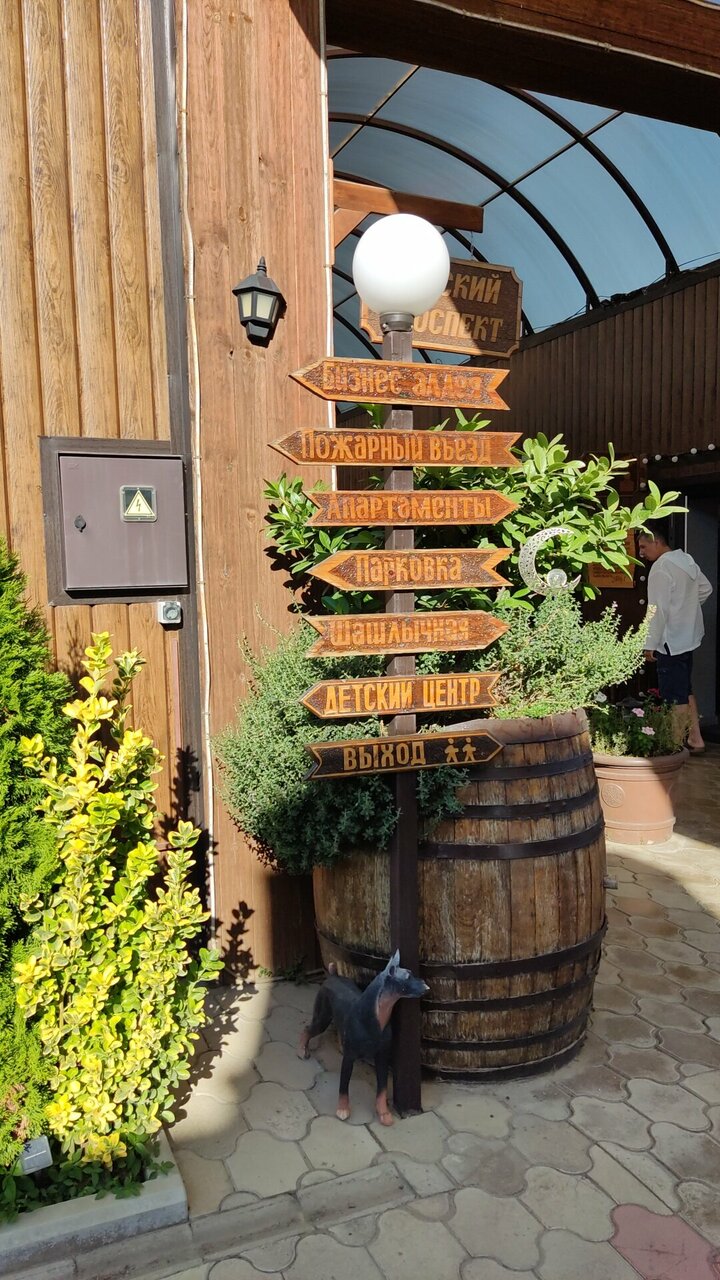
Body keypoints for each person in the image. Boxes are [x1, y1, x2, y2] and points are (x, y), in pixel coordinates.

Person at [637, 528, 713, 753]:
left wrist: (649, 644)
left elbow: (656, 610)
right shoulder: (686, 560)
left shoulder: (661, 567)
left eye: (643, 547)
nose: (641, 553)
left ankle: (674, 747)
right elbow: (706, 589)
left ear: (657, 542)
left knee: (674, 697)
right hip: (688, 637)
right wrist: (687, 609)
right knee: (685, 689)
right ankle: (696, 739)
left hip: (670, 641)